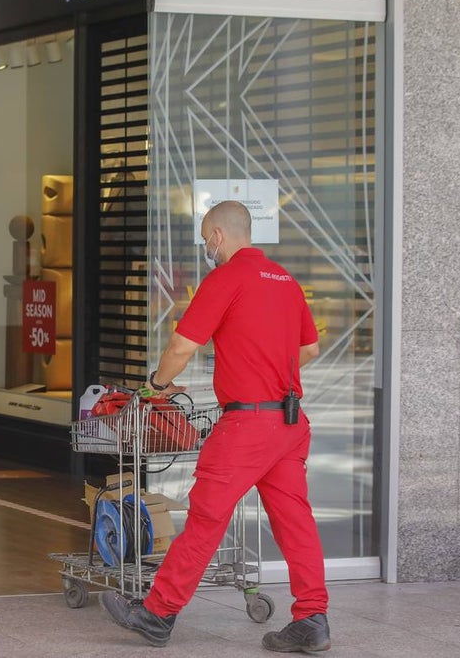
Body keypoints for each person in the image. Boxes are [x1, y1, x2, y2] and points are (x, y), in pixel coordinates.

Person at [100, 200, 329, 653]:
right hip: (289, 422)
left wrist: (157, 385)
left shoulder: (225, 278)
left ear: (219, 237)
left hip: (246, 426)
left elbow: (182, 347)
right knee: (296, 521)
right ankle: (312, 618)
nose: (207, 247)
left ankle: (158, 612)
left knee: (206, 518)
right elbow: (310, 350)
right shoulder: (285, 280)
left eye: (207, 238)